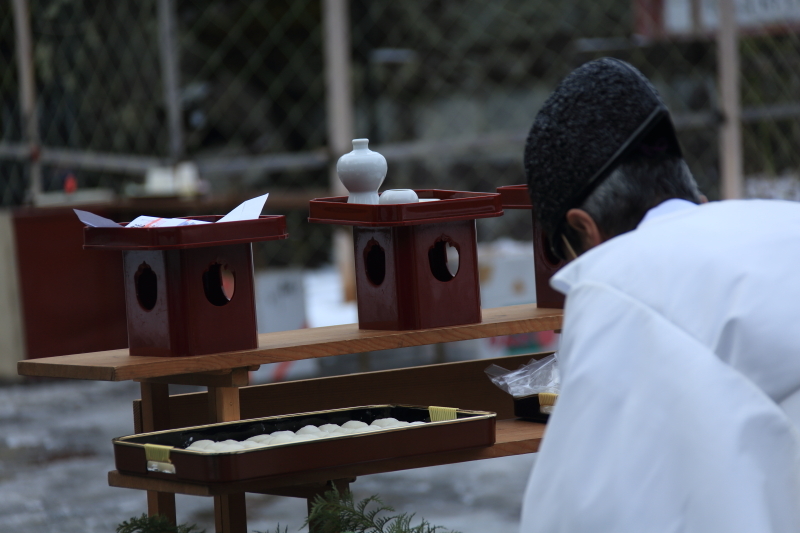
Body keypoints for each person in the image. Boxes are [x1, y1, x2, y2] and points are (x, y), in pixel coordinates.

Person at [519, 57, 800, 532]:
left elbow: (580, 513)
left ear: (585, 230)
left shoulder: (616, 282)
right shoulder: (784, 223)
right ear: (697, 199)